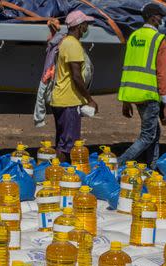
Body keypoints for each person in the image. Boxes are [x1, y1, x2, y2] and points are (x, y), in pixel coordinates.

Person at [117, 3, 166, 169]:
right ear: (152, 17)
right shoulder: (158, 39)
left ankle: (151, 168)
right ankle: (117, 164)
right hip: (149, 94)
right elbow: (162, 74)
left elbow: (127, 67)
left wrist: (126, 100)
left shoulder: (134, 36)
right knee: (147, 136)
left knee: (154, 133)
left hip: (134, 93)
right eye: (160, 16)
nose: (161, 19)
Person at [51, 10, 99, 162]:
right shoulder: (73, 45)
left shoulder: (65, 42)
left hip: (60, 100)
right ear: (79, 26)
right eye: (86, 24)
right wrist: (89, 99)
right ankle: (62, 178)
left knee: (62, 142)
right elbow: (76, 76)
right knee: (69, 146)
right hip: (69, 102)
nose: (87, 28)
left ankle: (58, 176)